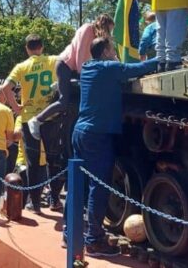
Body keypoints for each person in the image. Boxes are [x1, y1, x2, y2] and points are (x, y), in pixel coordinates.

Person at [64, 38, 158, 257]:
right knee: (98, 186)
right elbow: (138, 69)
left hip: (80, 132)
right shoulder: (109, 68)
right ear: (106, 51)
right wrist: (163, 60)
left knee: (78, 183)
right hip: (97, 135)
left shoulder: (88, 68)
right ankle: (94, 241)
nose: (115, 53)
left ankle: (69, 233)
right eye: (113, 50)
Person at [0, 34, 57, 213]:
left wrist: (16, 108)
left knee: (32, 162)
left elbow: (6, 87)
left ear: (27, 49)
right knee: (53, 159)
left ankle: (35, 204)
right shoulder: (53, 60)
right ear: (42, 47)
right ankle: (54, 199)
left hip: (29, 118)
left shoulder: (21, 67)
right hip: (50, 116)